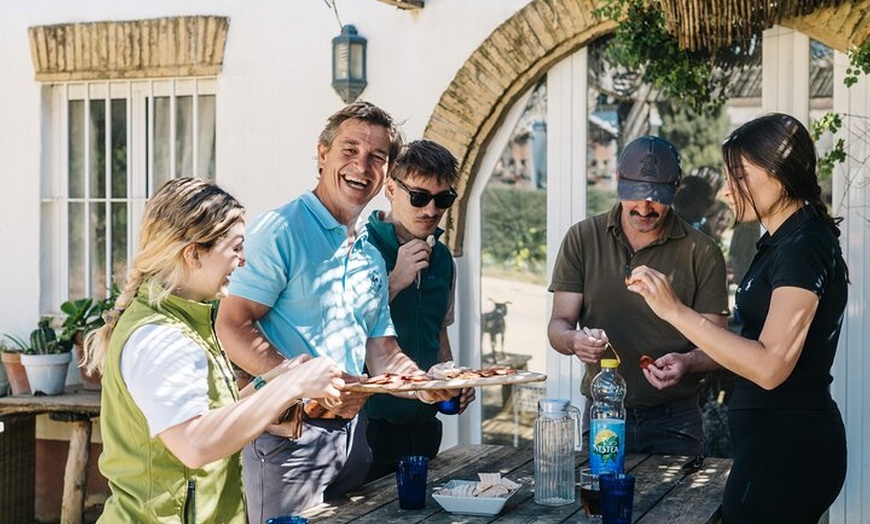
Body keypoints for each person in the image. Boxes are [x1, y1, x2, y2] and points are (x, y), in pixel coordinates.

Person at [215, 101, 454, 521]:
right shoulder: (281, 229)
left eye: (376, 157)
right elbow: (231, 324)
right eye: (349, 149)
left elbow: (382, 349)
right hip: (288, 438)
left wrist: (422, 384)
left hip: (355, 441)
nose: (361, 165)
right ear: (323, 154)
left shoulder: (369, 254)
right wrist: (299, 382)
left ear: (385, 175)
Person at [80, 177, 345, 523]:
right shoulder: (159, 337)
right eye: (235, 247)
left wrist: (271, 381)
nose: (243, 261)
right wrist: (291, 386)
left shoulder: (186, 321)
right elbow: (195, 444)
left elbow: (213, 417)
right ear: (193, 254)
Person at [626, 113, 848, 523]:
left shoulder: (803, 245)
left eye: (739, 176)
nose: (727, 191)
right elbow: (748, 345)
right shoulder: (781, 241)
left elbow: (768, 366)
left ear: (779, 173)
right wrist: (690, 359)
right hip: (771, 449)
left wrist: (674, 310)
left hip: (788, 453)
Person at [547, 135, 729, 456]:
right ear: (617, 181)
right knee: (601, 503)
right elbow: (559, 324)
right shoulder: (582, 238)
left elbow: (719, 346)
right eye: (634, 196)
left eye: (656, 198)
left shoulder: (702, 251)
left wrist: (687, 362)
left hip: (676, 419)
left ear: (676, 187)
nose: (644, 208)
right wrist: (574, 341)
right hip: (603, 410)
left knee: (679, 507)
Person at [363, 139, 476, 481]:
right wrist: (394, 281)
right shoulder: (360, 246)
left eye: (443, 199)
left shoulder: (442, 259)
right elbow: (340, 330)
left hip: (426, 428)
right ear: (391, 189)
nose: (431, 210)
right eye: (419, 197)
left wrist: (453, 379)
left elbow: (438, 329)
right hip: (367, 428)